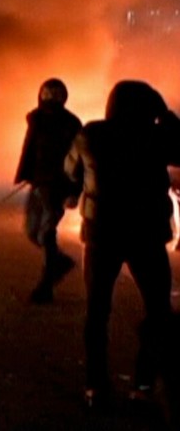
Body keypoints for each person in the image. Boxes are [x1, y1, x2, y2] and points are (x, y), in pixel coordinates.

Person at [64, 80, 180, 411]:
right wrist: (167, 117)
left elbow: (70, 169)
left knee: (97, 311)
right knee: (158, 311)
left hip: (102, 233)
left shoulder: (91, 133)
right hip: (147, 234)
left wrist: (79, 185)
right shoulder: (156, 136)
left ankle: (95, 386)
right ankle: (143, 384)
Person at [14, 78, 82, 304]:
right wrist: (27, 174)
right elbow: (30, 150)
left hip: (57, 187)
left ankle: (46, 286)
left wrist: (74, 191)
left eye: (56, 93)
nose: (51, 97)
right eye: (47, 92)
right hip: (38, 184)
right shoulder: (36, 119)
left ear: (63, 96)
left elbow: (80, 161)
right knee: (32, 231)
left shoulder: (71, 124)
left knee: (46, 232)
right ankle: (60, 263)